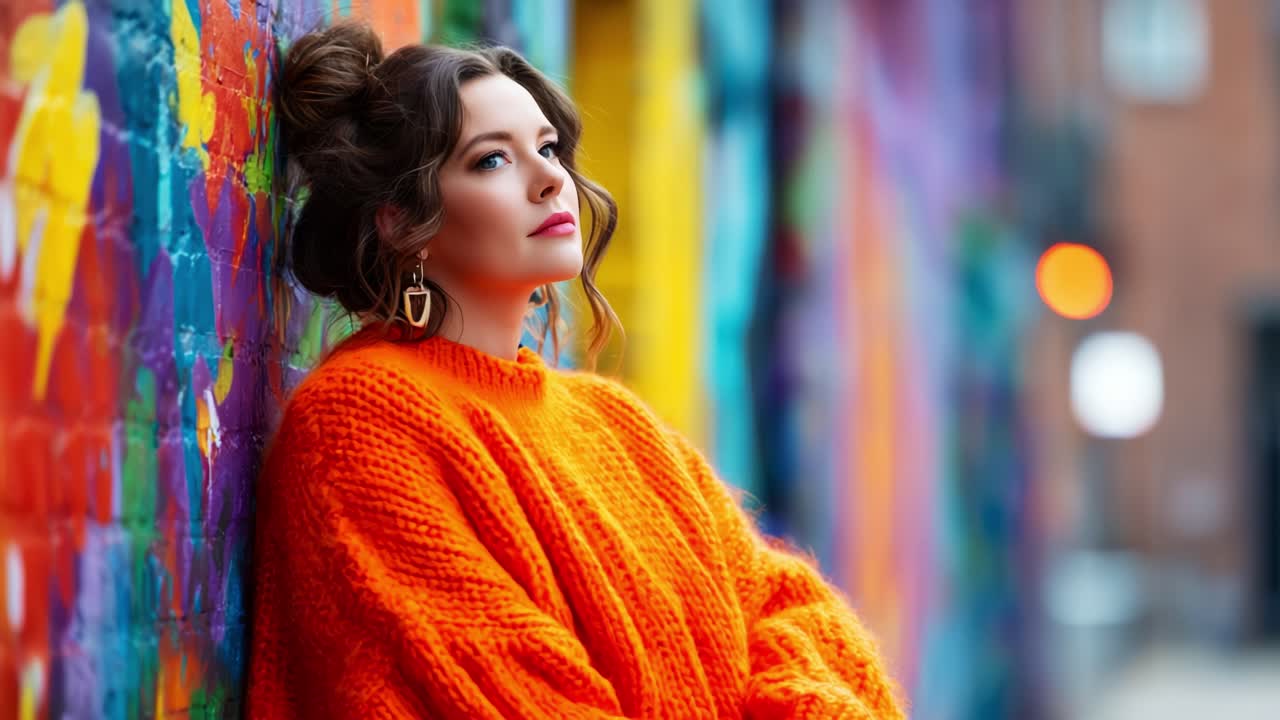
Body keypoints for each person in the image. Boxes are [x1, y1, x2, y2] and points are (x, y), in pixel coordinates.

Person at [246, 20, 905, 720]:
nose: (549, 179)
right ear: (402, 223)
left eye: (548, 147)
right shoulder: (359, 422)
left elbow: (790, 612)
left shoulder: (615, 424)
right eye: (492, 161)